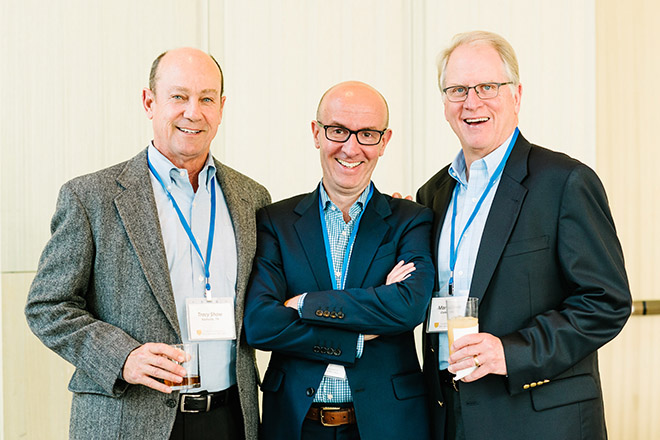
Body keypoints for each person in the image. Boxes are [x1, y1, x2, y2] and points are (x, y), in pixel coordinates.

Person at [25, 47, 270, 440]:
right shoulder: (91, 198)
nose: (193, 112)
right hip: (129, 420)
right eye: (179, 96)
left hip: (230, 419)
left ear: (222, 108)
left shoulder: (251, 198)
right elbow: (48, 306)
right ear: (149, 102)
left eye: (207, 98)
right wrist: (122, 356)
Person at [417, 30, 632, 440]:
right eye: (457, 90)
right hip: (451, 417)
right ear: (444, 104)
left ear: (516, 95)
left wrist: (511, 352)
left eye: (487, 87)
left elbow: (607, 302)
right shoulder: (432, 194)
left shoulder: (565, 182)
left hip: (540, 421)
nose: (471, 102)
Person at [244, 81, 435, 440]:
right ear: (316, 133)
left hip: (387, 423)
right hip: (298, 424)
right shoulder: (276, 221)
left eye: (367, 134)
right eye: (338, 130)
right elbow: (261, 324)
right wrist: (360, 332)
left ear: (384, 141)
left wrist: (305, 304)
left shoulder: (411, 219)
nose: (351, 147)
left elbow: (408, 307)